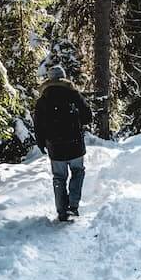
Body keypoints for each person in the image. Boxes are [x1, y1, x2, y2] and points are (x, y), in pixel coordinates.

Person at [33, 65, 93, 222]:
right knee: (78, 172)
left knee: (59, 177)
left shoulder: (43, 100)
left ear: (49, 79)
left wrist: (41, 142)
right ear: (64, 77)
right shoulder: (74, 94)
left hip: (55, 146)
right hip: (75, 144)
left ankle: (61, 211)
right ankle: (73, 206)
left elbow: (38, 125)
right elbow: (88, 116)